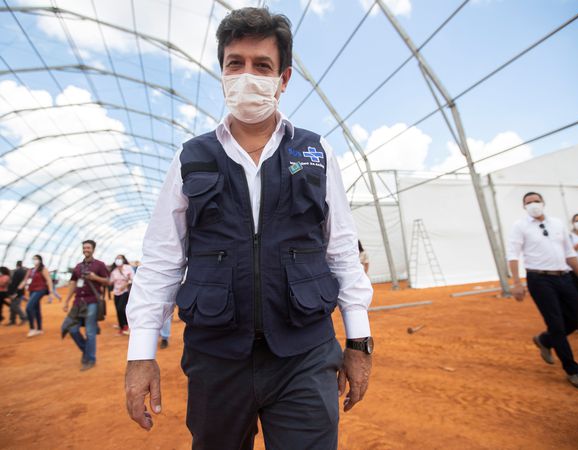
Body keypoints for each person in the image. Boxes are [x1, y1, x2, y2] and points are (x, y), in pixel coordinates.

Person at [125, 7, 373, 449]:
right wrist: (141, 354)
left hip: (305, 353)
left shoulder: (316, 153)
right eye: (235, 63)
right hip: (216, 358)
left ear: (284, 78)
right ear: (221, 73)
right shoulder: (191, 158)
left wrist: (359, 342)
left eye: (262, 66)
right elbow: (163, 259)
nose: (247, 76)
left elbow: (340, 252)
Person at [507, 192, 578, 390]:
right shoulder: (520, 226)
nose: (533, 205)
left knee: (575, 320)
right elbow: (513, 254)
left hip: (564, 276)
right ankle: (573, 371)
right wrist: (516, 282)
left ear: (543, 203)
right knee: (556, 324)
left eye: (536, 201)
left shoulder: (557, 224)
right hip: (539, 279)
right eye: (528, 203)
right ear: (524, 207)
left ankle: (544, 340)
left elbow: (570, 253)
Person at [61, 240, 110, 371]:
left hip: (92, 301)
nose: (86, 249)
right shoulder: (77, 267)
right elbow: (72, 284)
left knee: (90, 331)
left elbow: (108, 281)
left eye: (88, 247)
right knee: (71, 328)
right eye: (84, 247)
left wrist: (95, 278)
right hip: (78, 302)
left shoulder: (100, 265)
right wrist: (66, 301)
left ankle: (90, 359)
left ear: (93, 249)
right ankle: (87, 351)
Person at [18, 255, 54, 337]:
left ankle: (32, 329)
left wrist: (51, 292)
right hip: (32, 290)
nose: (35, 260)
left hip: (40, 290)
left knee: (28, 307)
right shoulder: (30, 270)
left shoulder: (43, 269)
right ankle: (39, 329)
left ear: (40, 260)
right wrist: (18, 289)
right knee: (36, 309)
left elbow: (49, 280)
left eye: (36, 259)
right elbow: (25, 280)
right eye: (33, 259)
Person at [109, 254, 134, 335]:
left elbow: (133, 279)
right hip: (116, 292)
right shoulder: (114, 271)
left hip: (125, 292)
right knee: (118, 310)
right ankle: (121, 327)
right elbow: (110, 282)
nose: (118, 260)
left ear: (123, 260)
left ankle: (127, 326)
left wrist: (125, 285)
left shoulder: (128, 268)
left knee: (122, 309)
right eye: (117, 259)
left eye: (120, 258)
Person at [6, 261, 27, 326]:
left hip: (15, 292)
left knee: (14, 306)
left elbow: (13, 283)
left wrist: (11, 292)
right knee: (13, 306)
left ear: (16, 265)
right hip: (20, 291)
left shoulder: (16, 272)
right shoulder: (24, 272)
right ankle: (12, 321)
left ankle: (24, 318)